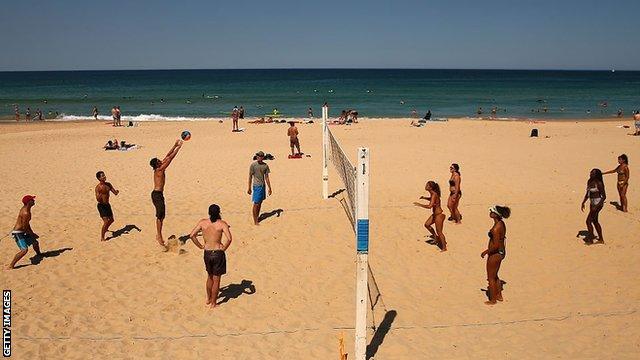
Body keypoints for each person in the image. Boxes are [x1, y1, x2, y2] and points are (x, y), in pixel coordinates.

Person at [189, 204, 233, 309]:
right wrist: (224, 248)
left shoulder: (203, 222)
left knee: (209, 276)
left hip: (207, 252)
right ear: (219, 212)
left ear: (209, 213)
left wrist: (200, 246)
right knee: (216, 279)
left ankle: (208, 299)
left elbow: (192, 235)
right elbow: (229, 238)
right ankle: (213, 303)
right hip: (217, 252)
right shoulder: (222, 224)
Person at [150, 139, 184, 248]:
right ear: (157, 164)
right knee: (160, 216)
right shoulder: (160, 170)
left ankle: (159, 234)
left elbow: (167, 155)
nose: (161, 160)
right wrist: (178, 148)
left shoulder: (159, 167)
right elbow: (170, 158)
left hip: (159, 195)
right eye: (159, 161)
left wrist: (174, 145)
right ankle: (159, 236)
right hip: (156, 195)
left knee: (162, 216)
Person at [481, 205, 510, 305]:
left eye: (492, 211)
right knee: (495, 275)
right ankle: (499, 295)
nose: (490, 212)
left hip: (495, 253)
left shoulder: (495, 229)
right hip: (501, 252)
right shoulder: (501, 224)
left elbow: (496, 245)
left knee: (490, 277)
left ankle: (492, 300)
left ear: (496, 215)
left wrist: (486, 252)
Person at [7, 195, 42, 269]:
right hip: (18, 233)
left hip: (23, 231)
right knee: (24, 250)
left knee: (35, 242)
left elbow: (26, 224)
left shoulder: (26, 209)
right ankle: (11, 265)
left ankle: (39, 254)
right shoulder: (26, 213)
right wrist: (32, 234)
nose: (34, 201)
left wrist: (32, 233)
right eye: (32, 200)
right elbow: (24, 227)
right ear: (29, 202)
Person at [413, 181, 447, 251]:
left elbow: (429, 206)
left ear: (430, 187)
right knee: (427, 224)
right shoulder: (432, 194)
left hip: (439, 215)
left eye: (427, 185)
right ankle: (435, 237)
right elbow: (432, 199)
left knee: (439, 232)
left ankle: (444, 248)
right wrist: (424, 198)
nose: (425, 186)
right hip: (435, 214)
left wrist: (419, 204)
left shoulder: (434, 194)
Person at [581, 168, 606, 243]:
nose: (590, 173)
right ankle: (601, 239)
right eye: (591, 172)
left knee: (588, 221)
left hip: (598, 202)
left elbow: (604, 196)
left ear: (596, 175)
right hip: (592, 202)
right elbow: (588, 193)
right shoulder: (589, 181)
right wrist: (583, 202)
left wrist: (597, 206)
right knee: (595, 221)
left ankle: (591, 239)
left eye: (592, 173)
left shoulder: (599, 183)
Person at [247, 151, 272, 225]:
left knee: (260, 203)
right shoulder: (253, 165)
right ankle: (255, 221)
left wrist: (269, 188)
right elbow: (250, 177)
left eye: (260, 156)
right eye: (257, 156)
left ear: (262, 157)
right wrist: (249, 187)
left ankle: (257, 217)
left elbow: (267, 177)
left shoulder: (265, 166)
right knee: (256, 203)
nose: (259, 157)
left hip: (262, 186)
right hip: (256, 186)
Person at [95, 171, 119, 241]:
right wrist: (99, 196)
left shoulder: (108, 185)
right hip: (101, 206)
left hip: (107, 205)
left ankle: (106, 228)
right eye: (102, 176)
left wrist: (117, 191)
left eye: (104, 175)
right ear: (99, 178)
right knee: (106, 222)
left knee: (111, 220)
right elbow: (97, 199)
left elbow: (115, 192)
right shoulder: (98, 187)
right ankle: (102, 237)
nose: (104, 176)